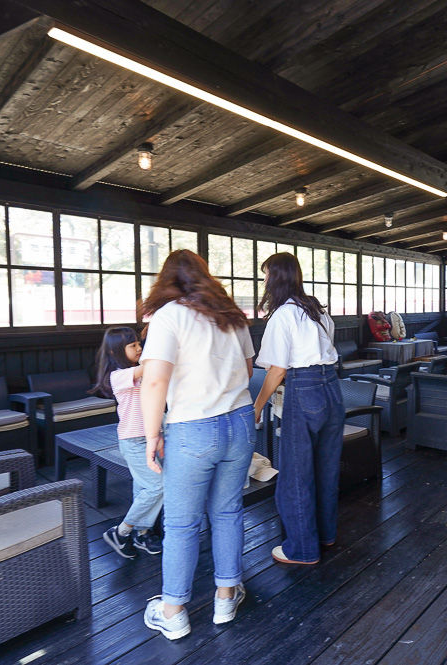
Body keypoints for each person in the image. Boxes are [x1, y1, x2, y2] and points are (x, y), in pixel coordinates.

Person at [140, 249, 255, 638]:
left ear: (167, 280)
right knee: (227, 512)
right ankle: (226, 595)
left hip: (192, 427)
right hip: (239, 422)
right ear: (204, 276)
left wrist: (152, 433)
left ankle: (173, 611)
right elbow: (249, 368)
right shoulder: (231, 316)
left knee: (182, 523)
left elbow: (155, 380)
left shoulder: (169, 316)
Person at [253, 252, 345, 565]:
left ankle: (302, 550)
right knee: (326, 468)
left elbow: (277, 370)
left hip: (303, 389)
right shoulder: (316, 309)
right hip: (332, 388)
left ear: (275, 277)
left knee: (295, 472)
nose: (263, 280)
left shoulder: (283, 315)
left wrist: (257, 405)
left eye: (265, 274)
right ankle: (325, 535)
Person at [90, 326, 163, 559]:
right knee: (158, 485)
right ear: (114, 352)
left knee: (144, 487)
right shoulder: (119, 376)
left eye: (139, 344)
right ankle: (121, 532)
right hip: (133, 440)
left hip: (150, 437)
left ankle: (142, 534)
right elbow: (151, 366)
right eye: (132, 345)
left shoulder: (137, 372)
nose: (139, 348)